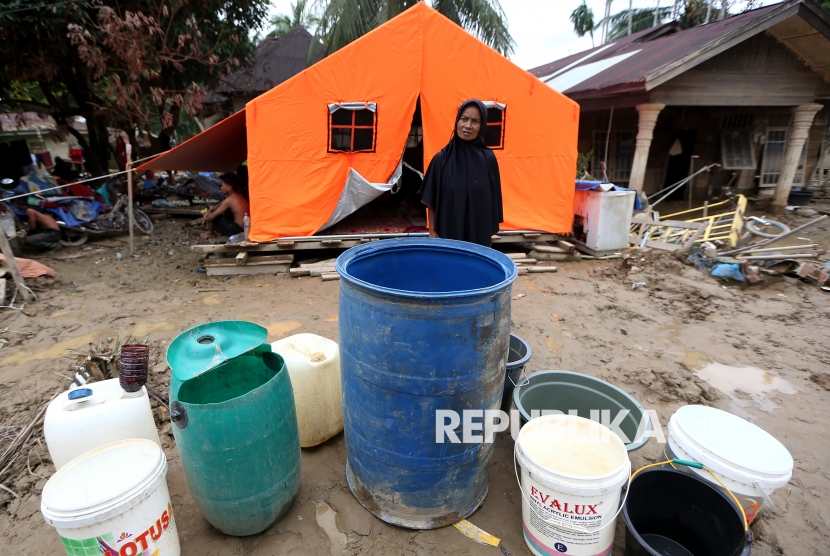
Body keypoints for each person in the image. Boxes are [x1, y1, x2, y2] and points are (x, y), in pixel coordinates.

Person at [420, 99, 503, 247]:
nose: (468, 126)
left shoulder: (488, 159)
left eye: (475, 121)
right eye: (464, 119)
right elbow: (431, 200)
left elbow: (494, 199)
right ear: (457, 121)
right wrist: (432, 233)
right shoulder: (441, 160)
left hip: (479, 238)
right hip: (449, 236)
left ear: (482, 126)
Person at [201, 168, 250, 239]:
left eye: (222, 186)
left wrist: (206, 217)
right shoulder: (238, 195)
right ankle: (218, 231)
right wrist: (209, 212)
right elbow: (221, 203)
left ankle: (210, 233)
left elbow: (211, 217)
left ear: (229, 188)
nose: (220, 188)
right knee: (217, 211)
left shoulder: (230, 200)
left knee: (213, 217)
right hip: (245, 227)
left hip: (238, 230)